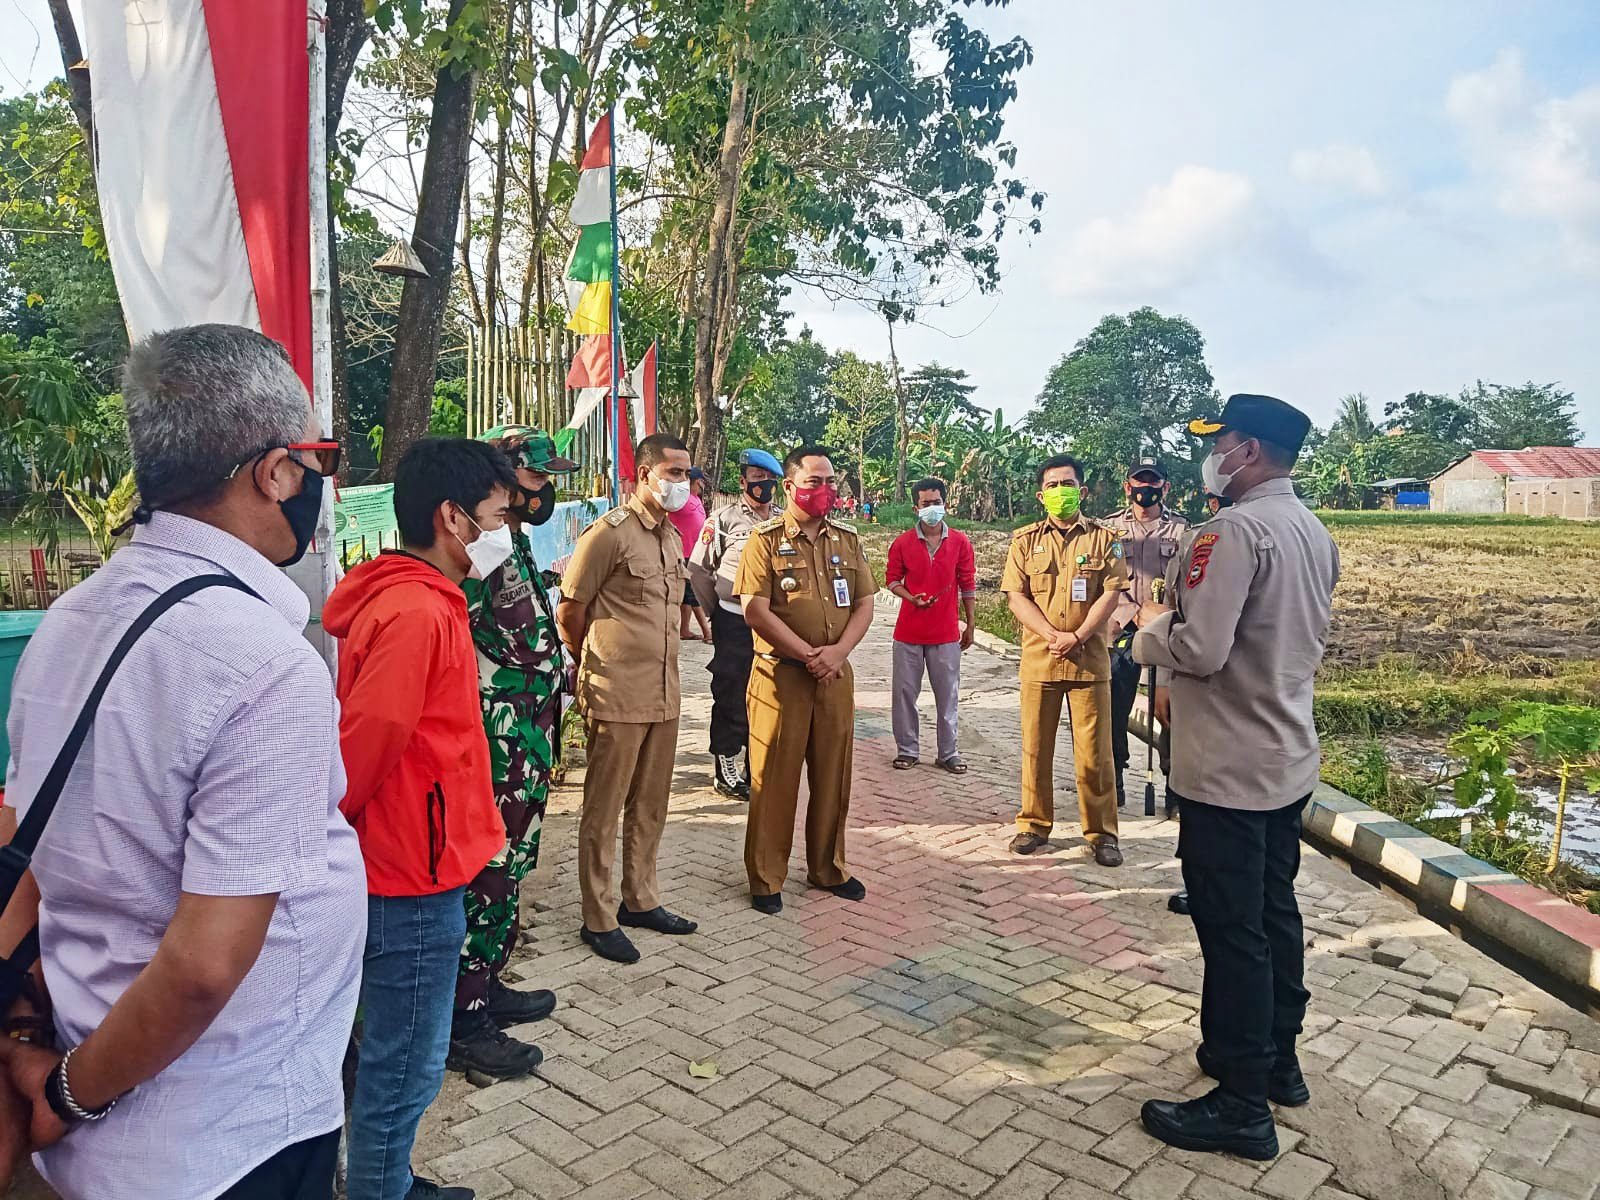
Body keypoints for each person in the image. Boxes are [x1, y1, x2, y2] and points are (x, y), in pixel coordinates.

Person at [0, 324, 365, 1200]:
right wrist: (64, 1096)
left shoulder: (70, 620)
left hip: (109, 1116)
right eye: (317, 459)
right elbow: (203, 967)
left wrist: (27, 1038)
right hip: (225, 1135)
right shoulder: (264, 663)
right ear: (273, 473)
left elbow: (29, 832)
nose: (317, 482)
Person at [1133, 394, 1338, 1161]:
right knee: (1274, 913)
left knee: (1232, 930)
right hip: (1284, 759)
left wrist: (1147, 634)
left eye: (1219, 442)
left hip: (1227, 768)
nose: (1211, 455)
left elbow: (1203, 648)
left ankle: (1242, 1104)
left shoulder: (1232, 531)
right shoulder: (1311, 529)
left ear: (1248, 451)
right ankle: (1278, 1060)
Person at [326, 437, 517, 1200]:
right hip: (407, 873)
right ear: (451, 517)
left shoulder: (425, 600)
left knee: (403, 1053)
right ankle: (380, 1190)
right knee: (406, 1060)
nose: (503, 532)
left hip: (421, 856)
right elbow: (365, 745)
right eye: (495, 517)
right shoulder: (414, 612)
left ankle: (389, 1180)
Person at [448, 426, 577, 1081]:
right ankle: (463, 1019)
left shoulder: (512, 541)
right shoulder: (480, 550)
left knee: (514, 864)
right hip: (499, 739)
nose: (545, 490)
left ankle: (488, 983)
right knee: (489, 871)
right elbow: (467, 639)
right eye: (535, 477)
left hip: (529, 733)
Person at [557, 434, 699, 964]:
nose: (681, 483)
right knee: (605, 807)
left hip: (663, 691)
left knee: (650, 803)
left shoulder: (671, 537)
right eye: (673, 472)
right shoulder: (609, 535)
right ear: (644, 474)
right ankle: (598, 915)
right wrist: (589, 659)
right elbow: (571, 610)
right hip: (617, 691)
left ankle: (641, 898)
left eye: (686, 474)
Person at [735, 447, 876, 914]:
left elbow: (865, 604)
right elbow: (755, 610)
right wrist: (807, 654)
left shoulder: (847, 540)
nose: (825, 490)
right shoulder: (764, 541)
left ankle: (828, 867)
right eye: (815, 481)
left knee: (833, 777)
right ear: (790, 486)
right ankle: (766, 877)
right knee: (774, 780)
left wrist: (837, 653)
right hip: (781, 677)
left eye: (831, 481)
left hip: (834, 676)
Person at [1000, 455, 1129, 868]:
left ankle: (1102, 833)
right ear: (1041, 496)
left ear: (1082, 491)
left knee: (1095, 755)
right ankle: (1034, 825)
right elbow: (1016, 596)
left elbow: (1111, 592)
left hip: (1089, 662)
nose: (1061, 492)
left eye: (1068, 484)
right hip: (1040, 660)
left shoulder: (1105, 540)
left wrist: (1078, 635)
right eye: (1053, 486)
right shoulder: (1024, 541)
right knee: (1035, 750)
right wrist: (1051, 635)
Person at [687, 447, 783, 798]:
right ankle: (725, 765)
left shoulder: (784, 521)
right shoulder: (722, 521)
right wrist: (718, 612)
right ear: (743, 482)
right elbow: (699, 571)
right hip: (734, 621)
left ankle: (756, 764)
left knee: (770, 693)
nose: (763, 485)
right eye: (757, 478)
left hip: (774, 625)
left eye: (768, 479)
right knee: (731, 692)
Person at [1101, 458, 1190, 807]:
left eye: (1153, 482)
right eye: (1140, 482)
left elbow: (1187, 583)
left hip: (1165, 629)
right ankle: (1115, 778)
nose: (1146, 489)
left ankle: (1175, 785)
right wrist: (1131, 614)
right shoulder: (1109, 529)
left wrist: (1160, 616)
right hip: (1121, 629)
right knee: (1113, 707)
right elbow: (1103, 579)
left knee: (1171, 709)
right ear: (1128, 486)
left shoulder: (1181, 530)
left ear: (1164, 487)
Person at [884, 478, 977, 773]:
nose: (932, 508)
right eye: (926, 504)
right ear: (916, 508)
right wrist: (910, 597)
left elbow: (968, 584)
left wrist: (970, 624)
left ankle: (948, 753)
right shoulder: (902, 543)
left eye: (937, 503)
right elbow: (892, 579)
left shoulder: (960, 542)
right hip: (908, 633)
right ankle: (907, 750)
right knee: (904, 694)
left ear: (945, 504)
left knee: (948, 696)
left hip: (946, 634)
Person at [670, 468, 713, 642]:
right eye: (700, 482)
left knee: (688, 595)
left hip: (695, 552)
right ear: (695, 482)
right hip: (683, 553)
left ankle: (685, 630)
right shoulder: (679, 500)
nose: (702, 485)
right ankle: (707, 632)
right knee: (694, 593)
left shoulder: (696, 499)